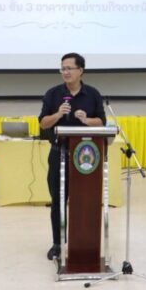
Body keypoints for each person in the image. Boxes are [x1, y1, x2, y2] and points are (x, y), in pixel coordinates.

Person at [39, 52, 106, 260]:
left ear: (80, 70)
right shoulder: (53, 94)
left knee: (85, 200)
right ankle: (57, 243)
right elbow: (43, 123)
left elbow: (102, 122)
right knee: (58, 200)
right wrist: (58, 114)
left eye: (69, 68)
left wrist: (87, 120)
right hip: (58, 154)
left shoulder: (93, 94)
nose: (65, 72)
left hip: (86, 158)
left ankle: (84, 242)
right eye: (63, 68)